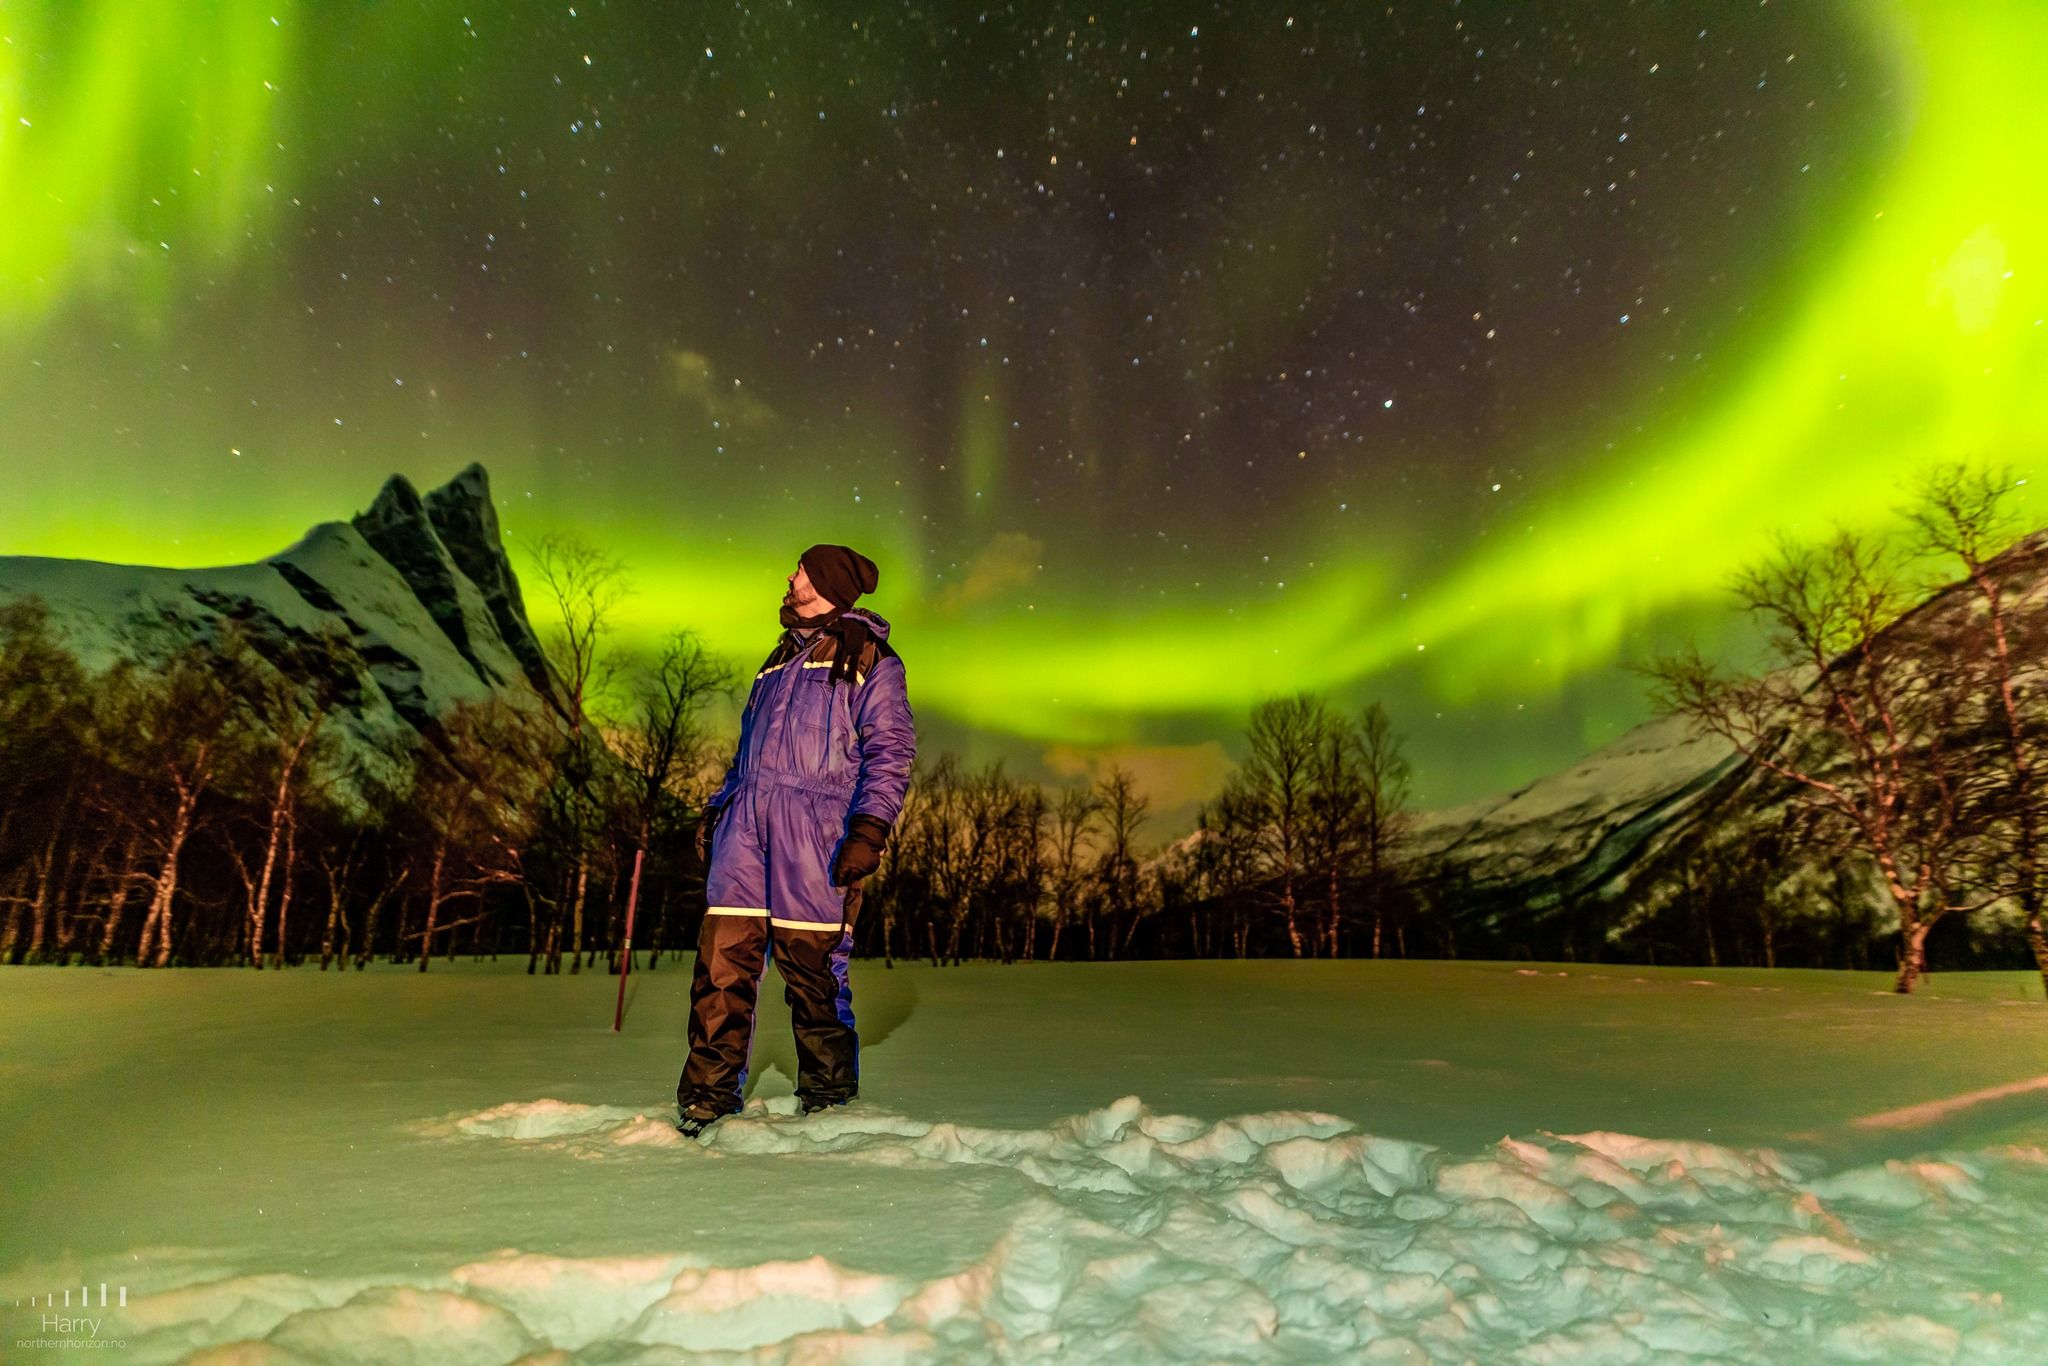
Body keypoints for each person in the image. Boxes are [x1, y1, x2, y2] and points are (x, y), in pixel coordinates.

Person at [675, 543, 916, 1136]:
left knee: (811, 971)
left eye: (801, 571)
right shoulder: (775, 661)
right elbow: (747, 756)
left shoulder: (869, 659)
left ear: (827, 582)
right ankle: (706, 1099)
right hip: (745, 834)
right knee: (720, 968)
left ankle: (829, 1101)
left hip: (815, 835)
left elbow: (890, 753)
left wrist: (869, 829)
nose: (790, 577)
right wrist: (717, 810)